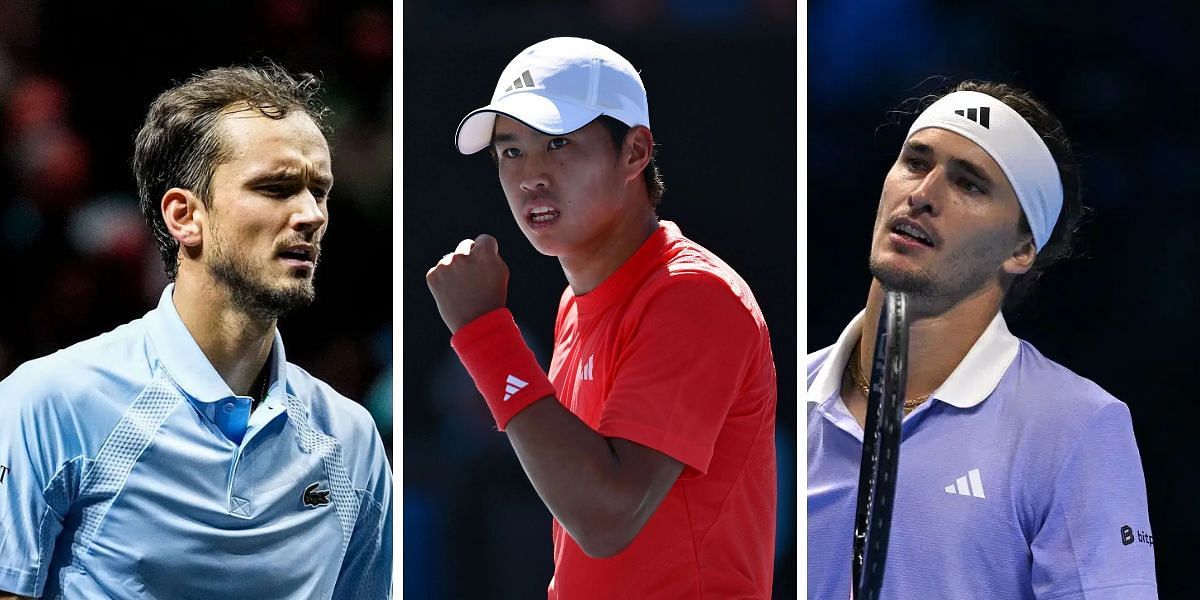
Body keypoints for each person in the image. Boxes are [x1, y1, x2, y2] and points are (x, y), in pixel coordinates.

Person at [0, 63, 391, 599]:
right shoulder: (48, 402)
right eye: (276, 188)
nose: (310, 215)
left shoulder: (352, 440)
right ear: (185, 216)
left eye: (318, 191)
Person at [426, 37, 778, 598]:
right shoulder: (578, 304)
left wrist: (484, 334)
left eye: (558, 143)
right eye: (511, 151)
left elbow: (605, 517)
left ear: (636, 153)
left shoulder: (695, 295)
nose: (530, 177)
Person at [806, 81, 1158, 598]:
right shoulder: (783, 391)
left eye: (969, 185)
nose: (922, 195)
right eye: (915, 161)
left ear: (1021, 248)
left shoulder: (1076, 426)